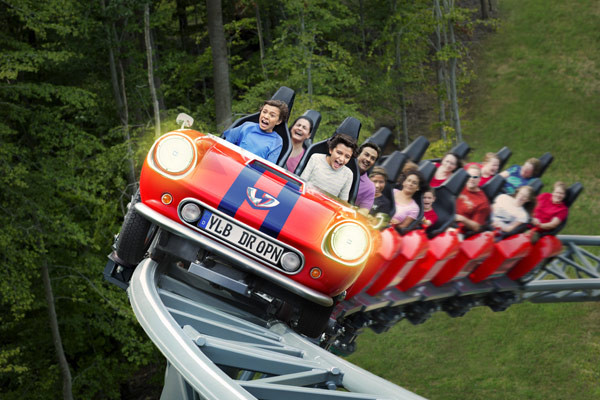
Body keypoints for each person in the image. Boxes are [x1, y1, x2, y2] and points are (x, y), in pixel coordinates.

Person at [222, 99, 289, 164]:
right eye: (264, 112)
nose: (266, 116)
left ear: (278, 121)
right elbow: (224, 144)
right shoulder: (247, 126)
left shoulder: (277, 141)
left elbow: (268, 167)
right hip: (231, 163)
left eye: (272, 115)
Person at [300, 133, 357, 201]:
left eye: (347, 157)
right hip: (306, 199)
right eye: (339, 153)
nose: (341, 159)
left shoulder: (348, 174)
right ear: (331, 150)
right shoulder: (316, 158)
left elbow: (343, 201)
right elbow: (301, 183)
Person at [455, 165, 491, 234]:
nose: (471, 179)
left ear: (480, 179)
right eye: (469, 176)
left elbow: (477, 227)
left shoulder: (483, 202)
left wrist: (462, 218)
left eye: (475, 177)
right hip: (445, 219)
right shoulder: (459, 186)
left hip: (458, 230)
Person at [355, 142, 381, 210]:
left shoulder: (370, 187)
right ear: (358, 154)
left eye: (372, 158)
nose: (368, 159)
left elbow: (364, 211)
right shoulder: (341, 168)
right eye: (366, 155)